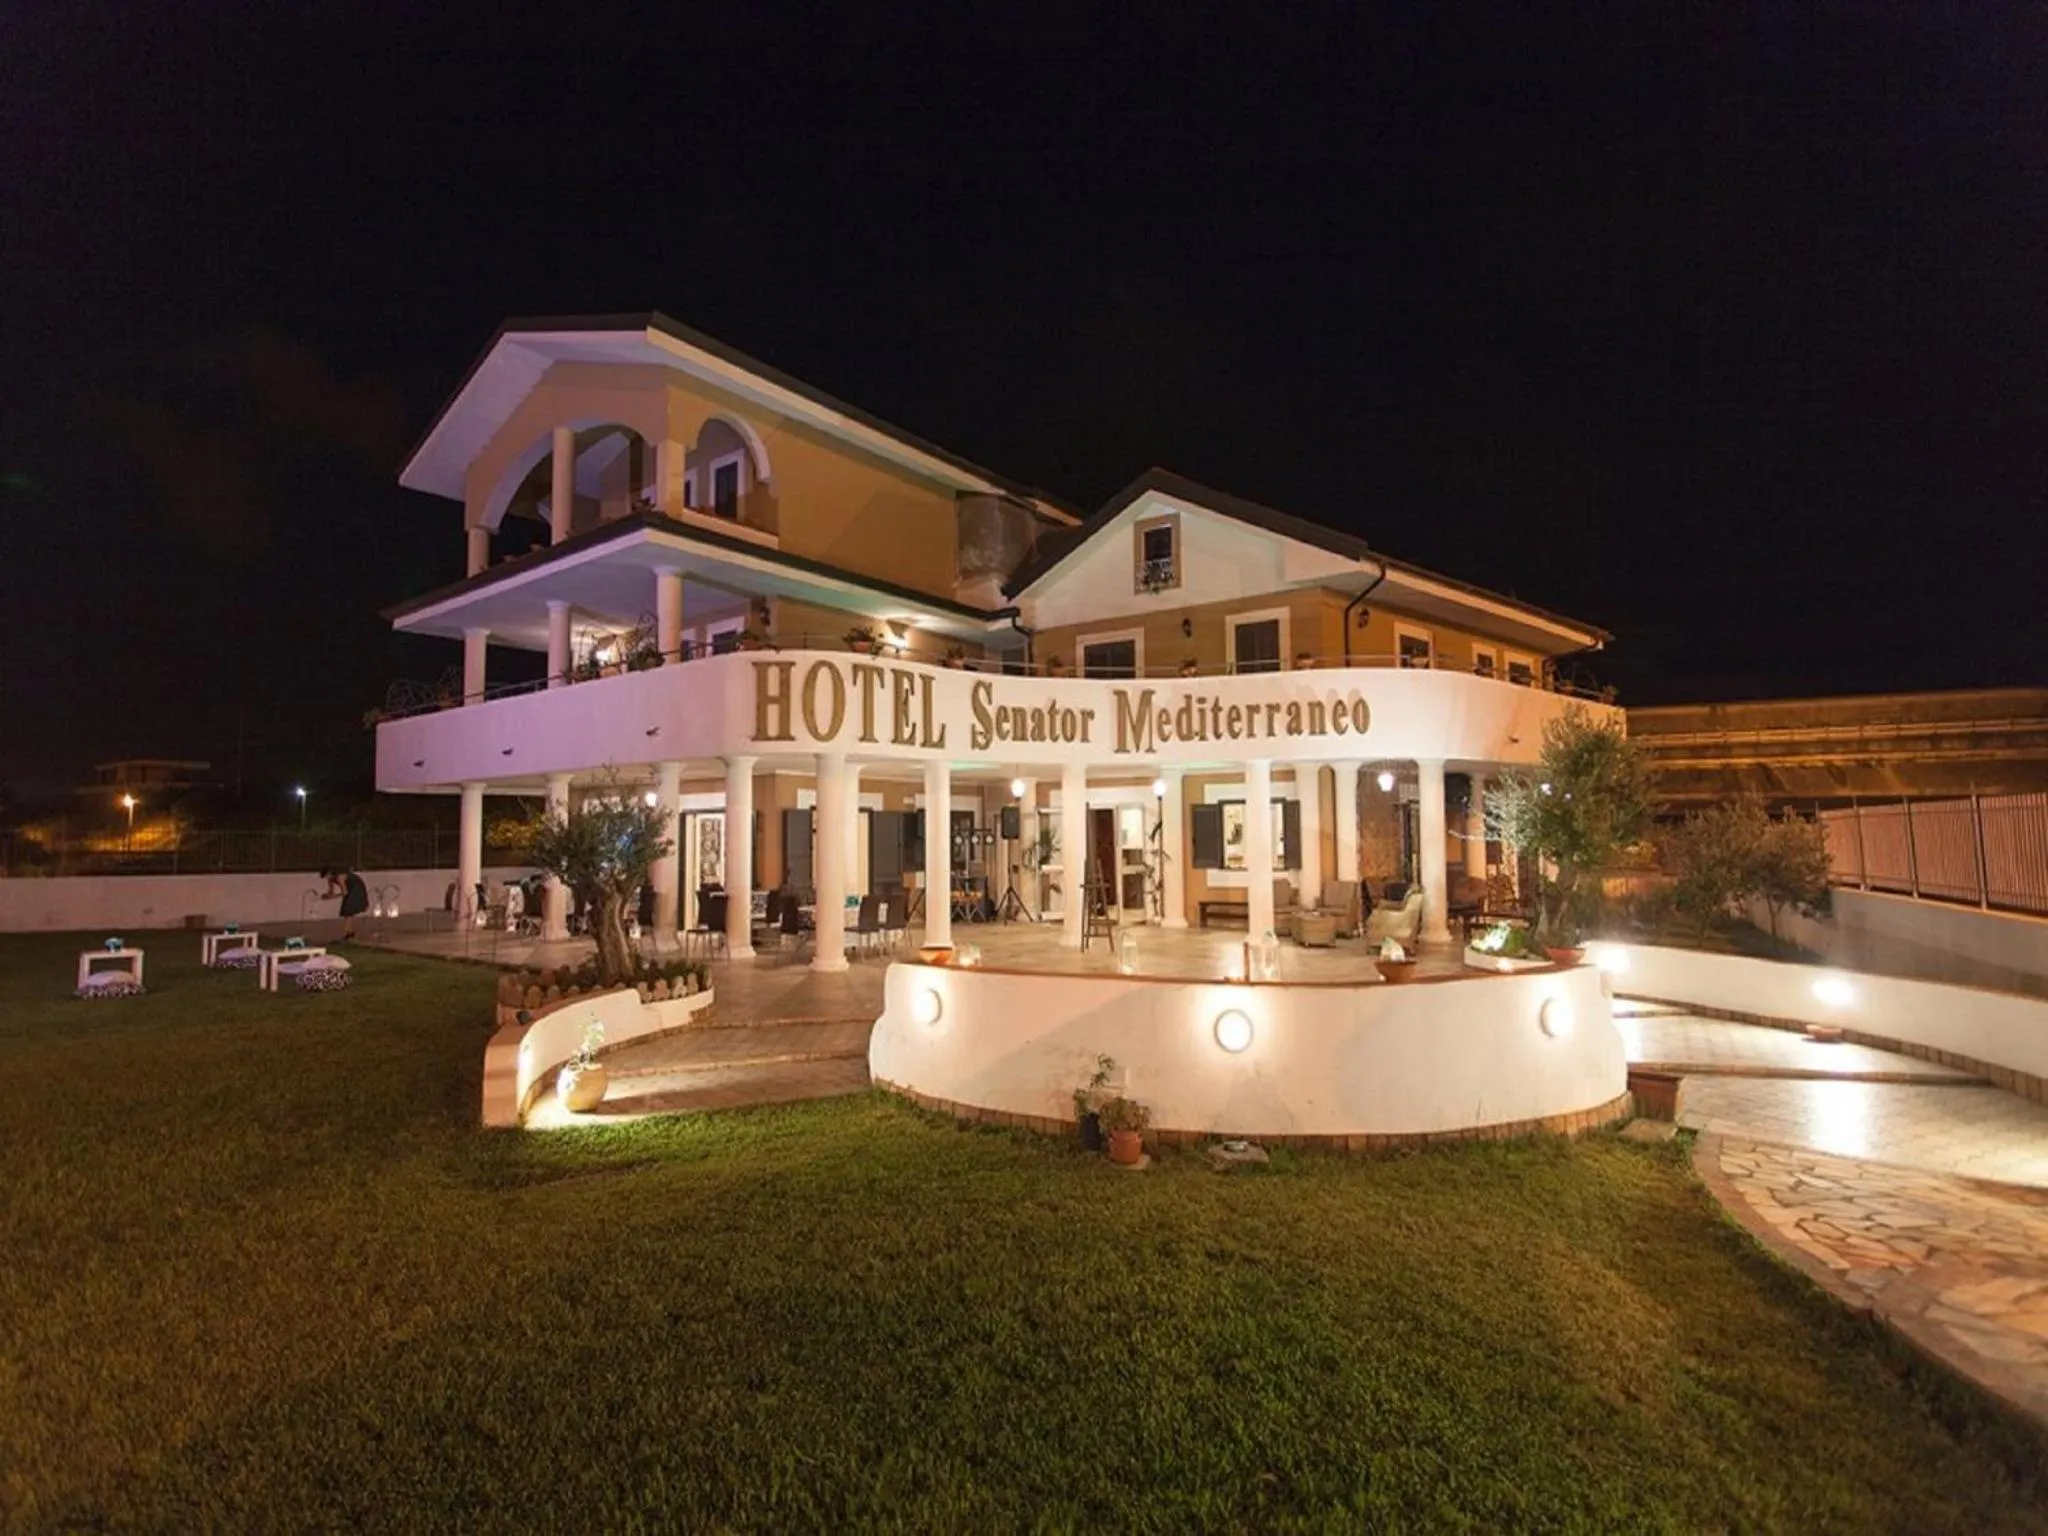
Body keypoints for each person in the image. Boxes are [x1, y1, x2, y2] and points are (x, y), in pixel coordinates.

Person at [325, 867, 370, 940]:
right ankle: (348, 931)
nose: (327, 877)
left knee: (348, 910)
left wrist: (333, 896)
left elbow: (344, 892)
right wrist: (327, 895)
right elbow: (331, 891)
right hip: (350, 889)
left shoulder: (340, 877)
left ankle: (346, 933)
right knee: (347, 910)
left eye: (328, 875)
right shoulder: (330, 879)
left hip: (356, 887)